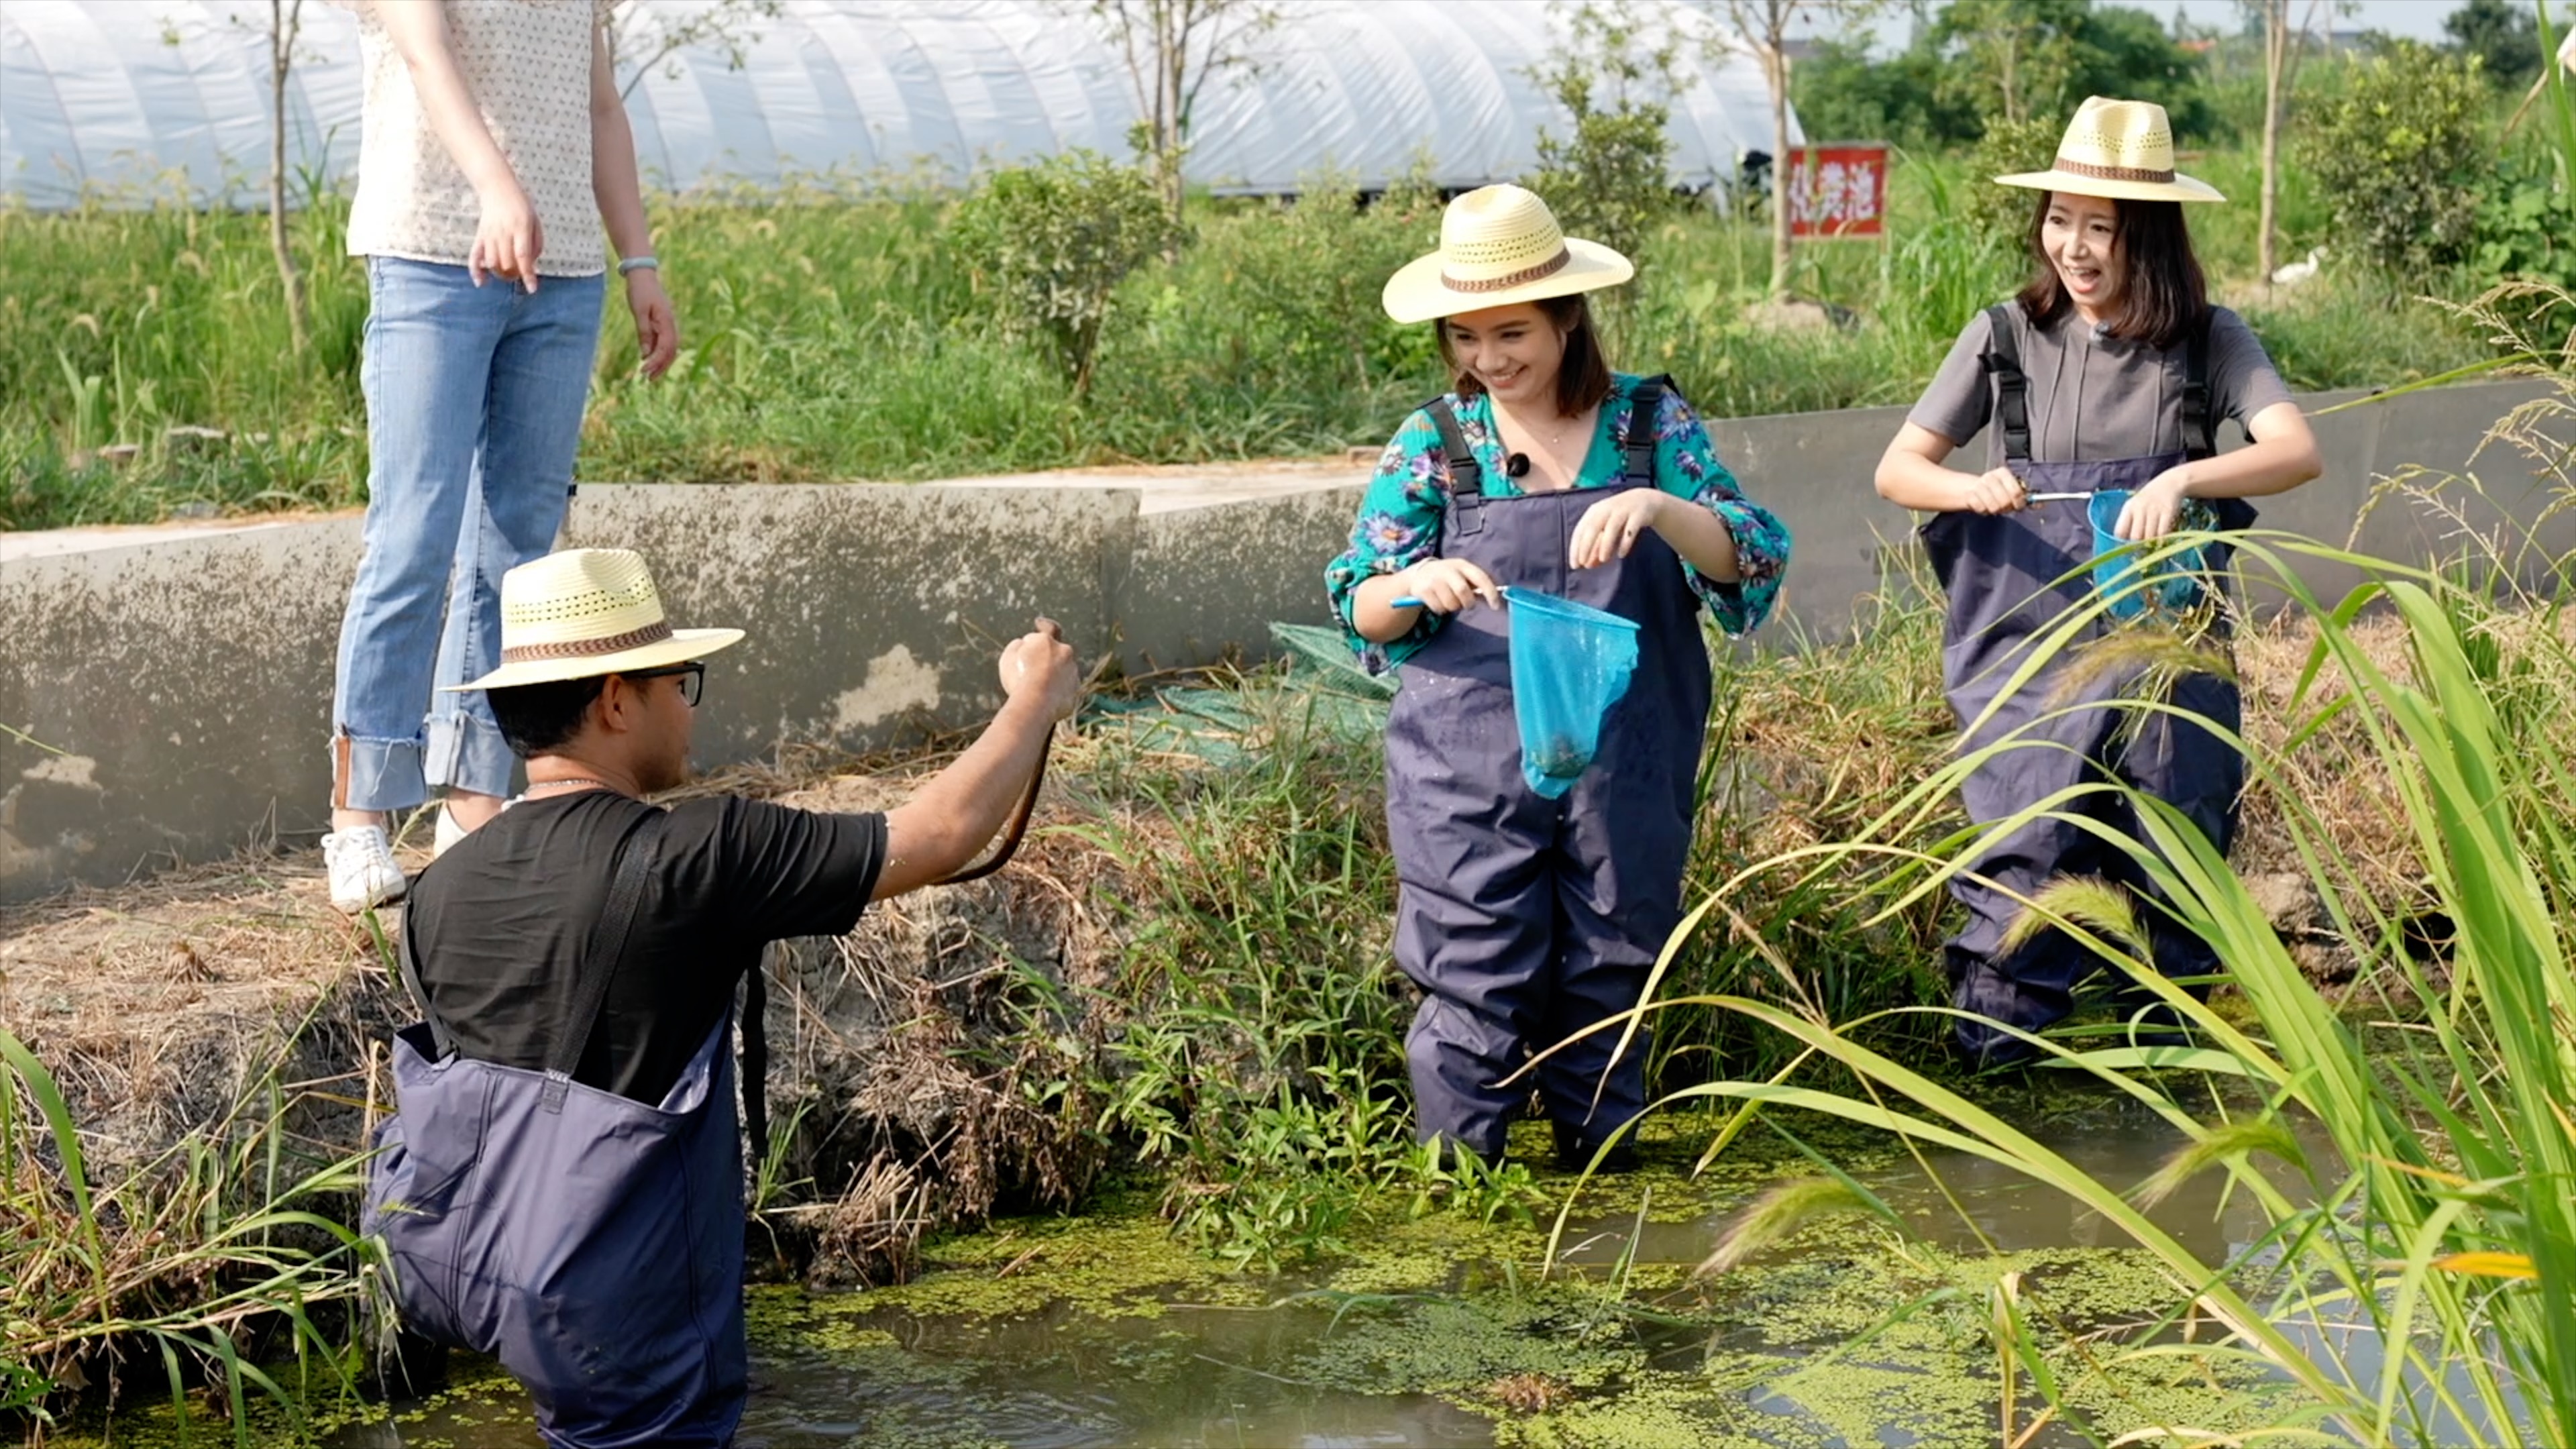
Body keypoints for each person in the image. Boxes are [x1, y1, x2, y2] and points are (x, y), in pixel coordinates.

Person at [364, 547, 1081, 1446]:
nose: (689, 707)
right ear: (617, 699)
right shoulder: (701, 852)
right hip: (608, 1301)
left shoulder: (440, 888)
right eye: (679, 681)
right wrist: (1035, 699)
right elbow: (941, 835)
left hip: (462, 1265)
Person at [1326, 184, 1791, 1171]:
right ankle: (1463, 1196)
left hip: (1627, 753)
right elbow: (1360, 602)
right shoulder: (1435, 443)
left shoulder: (1649, 424)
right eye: (1466, 337)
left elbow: (1750, 557)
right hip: (1465, 763)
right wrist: (1415, 580)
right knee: (1472, 973)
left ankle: (1606, 1191)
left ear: (1568, 319)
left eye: (1512, 334)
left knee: (1613, 966)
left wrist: (1664, 511)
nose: (1488, 360)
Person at [1870, 97, 2322, 1068]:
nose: (2073, 248)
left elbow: (2294, 451)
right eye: (2059, 221)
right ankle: (2004, 1089)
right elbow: (1899, 469)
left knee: (2174, 861)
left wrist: (2187, 475)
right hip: (2024, 659)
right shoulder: (2005, 336)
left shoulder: (2209, 342)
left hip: (2169, 666)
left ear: (2148, 238)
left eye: (2100, 229)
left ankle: (2167, 1095)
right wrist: (1970, 485)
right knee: (2023, 865)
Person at [322, 0, 681, 913]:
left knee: (516, 550)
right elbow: (427, 56)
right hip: (436, 252)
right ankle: (360, 815)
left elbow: (599, 106)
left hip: (563, 278)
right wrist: (495, 187)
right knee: (413, 534)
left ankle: (475, 798)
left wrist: (638, 261)